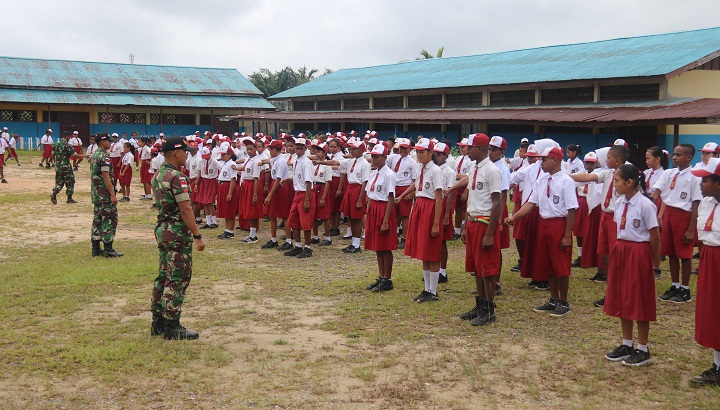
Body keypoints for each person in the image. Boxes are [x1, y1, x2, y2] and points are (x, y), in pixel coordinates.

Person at [507, 147, 578, 317]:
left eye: (544, 160)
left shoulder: (566, 181)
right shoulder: (542, 180)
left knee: (560, 264)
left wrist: (567, 234)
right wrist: (514, 217)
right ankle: (553, 299)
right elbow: (531, 203)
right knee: (548, 264)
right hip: (544, 223)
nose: (541, 163)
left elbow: (571, 209)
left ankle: (563, 301)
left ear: (555, 160)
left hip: (558, 224)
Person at [603, 164, 659, 367]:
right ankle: (627, 343)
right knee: (622, 296)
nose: (614, 184)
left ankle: (643, 348)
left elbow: (654, 237)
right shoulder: (619, 203)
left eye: (617, 180)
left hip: (638, 252)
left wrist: (652, 262)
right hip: (622, 250)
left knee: (639, 298)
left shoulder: (645, 205)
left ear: (630, 182)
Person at [150, 136, 205, 340]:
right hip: (177, 233)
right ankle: (172, 325)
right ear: (176, 153)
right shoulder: (177, 176)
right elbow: (185, 208)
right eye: (185, 151)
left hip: (163, 229)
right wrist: (197, 235)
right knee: (178, 278)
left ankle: (158, 320)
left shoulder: (159, 174)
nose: (187, 154)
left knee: (163, 275)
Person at [447, 133, 502, 325]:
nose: (466, 150)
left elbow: (497, 203)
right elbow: (472, 197)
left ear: (479, 148)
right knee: (477, 268)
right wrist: (464, 226)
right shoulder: (474, 167)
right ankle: (480, 304)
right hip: (472, 221)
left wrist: (489, 233)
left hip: (485, 223)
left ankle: (489, 309)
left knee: (486, 268)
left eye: (469, 147)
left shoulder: (492, 171)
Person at [651, 144, 701, 303]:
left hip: (684, 217)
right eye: (674, 154)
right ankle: (675, 285)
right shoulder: (668, 173)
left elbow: (695, 204)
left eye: (678, 155)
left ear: (688, 157)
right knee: (671, 252)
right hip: (669, 214)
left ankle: (685, 289)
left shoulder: (694, 176)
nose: (674, 157)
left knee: (684, 255)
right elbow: (656, 192)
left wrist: (691, 229)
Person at [397, 137, 444, 303]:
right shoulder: (420, 168)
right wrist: (402, 195)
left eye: (422, 152)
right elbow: (417, 184)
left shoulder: (436, 171)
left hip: (430, 209)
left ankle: (433, 291)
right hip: (419, 206)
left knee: (432, 250)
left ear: (431, 153)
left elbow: (439, 198)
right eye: (417, 151)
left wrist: (436, 223)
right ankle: (427, 289)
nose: (419, 154)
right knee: (424, 250)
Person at [689, 157, 720, 385]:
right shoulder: (708, 202)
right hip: (710, 257)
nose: (700, 184)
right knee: (712, 311)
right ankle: (718, 365)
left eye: (705, 180)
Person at [364, 143, 398, 292]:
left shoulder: (389, 174)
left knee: (385, 246)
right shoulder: (373, 173)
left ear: (385, 157)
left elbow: (391, 198)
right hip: (374, 209)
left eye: (377, 157)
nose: (374, 159)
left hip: (384, 209)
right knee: (377, 246)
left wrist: (385, 220)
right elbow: (370, 195)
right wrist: (367, 214)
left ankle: (387, 279)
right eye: (373, 156)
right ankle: (380, 276)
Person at [89, 132, 123, 258]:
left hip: (96, 194)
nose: (110, 142)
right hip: (104, 194)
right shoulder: (105, 157)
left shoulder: (94, 155)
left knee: (97, 219)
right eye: (108, 141)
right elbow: (106, 176)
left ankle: (96, 248)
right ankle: (108, 248)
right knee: (109, 218)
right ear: (103, 142)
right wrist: (112, 194)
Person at [283, 136, 316, 258]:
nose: (298, 150)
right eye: (297, 148)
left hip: (305, 194)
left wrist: (307, 200)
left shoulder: (306, 163)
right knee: (294, 220)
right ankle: (298, 245)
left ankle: (307, 247)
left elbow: (308, 182)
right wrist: (289, 179)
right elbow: (300, 178)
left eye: (301, 148)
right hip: (297, 193)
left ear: (305, 148)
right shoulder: (297, 161)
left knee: (305, 222)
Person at [339, 140, 370, 253]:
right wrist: (320, 162)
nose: (351, 151)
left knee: (357, 218)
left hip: (358, 190)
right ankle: (353, 242)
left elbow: (364, 182)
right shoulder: (351, 161)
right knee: (351, 217)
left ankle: (357, 245)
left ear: (361, 150)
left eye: (353, 149)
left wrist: (360, 199)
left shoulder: (365, 164)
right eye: (350, 149)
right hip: (350, 188)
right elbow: (337, 163)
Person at [387, 138, 417, 249]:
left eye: (405, 148)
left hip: (405, 188)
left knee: (405, 215)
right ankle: (394, 235)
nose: (402, 150)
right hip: (394, 187)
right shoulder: (394, 158)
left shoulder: (412, 163)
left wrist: (411, 193)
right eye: (401, 148)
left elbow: (415, 180)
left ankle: (404, 237)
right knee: (394, 214)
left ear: (410, 149)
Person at [261, 139, 290, 249]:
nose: (269, 151)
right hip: (275, 184)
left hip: (280, 186)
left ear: (274, 150)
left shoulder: (281, 161)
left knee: (284, 215)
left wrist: (269, 195)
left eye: (270, 149)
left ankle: (288, 240)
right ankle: (273, 239)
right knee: (272, 214)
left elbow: (278, 179)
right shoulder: (275, 159)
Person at [237, 139, 264, 243]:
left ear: (256, 149)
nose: (249, 151)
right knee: (247, 209)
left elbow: (256, 178)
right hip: (246, 185)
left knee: (253, 210)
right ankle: (251, 233)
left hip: (252, 186)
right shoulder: (248, 159)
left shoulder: (256, 161)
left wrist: (255, 194)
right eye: (247, 149)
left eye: (251, 149)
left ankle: (253, 235)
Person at [311, 142, 334, 246]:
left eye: (319, 152)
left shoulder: (327, 165)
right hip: (314, 188)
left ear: (324, 153)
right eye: (316, 152)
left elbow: (328, 181)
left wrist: (323, 197)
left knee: (324, 216)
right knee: (314, 215)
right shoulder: (315, 164)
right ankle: (315, 236)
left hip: (322, 188)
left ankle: (328, 238)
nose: (317, 154)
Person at [50, 131, 77, 204]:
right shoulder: (67, 145)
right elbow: (75, 155)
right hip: (66, 166)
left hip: (58, 166)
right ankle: (69, 198)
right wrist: (85, 156)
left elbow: (52, 155)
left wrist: (55, 162)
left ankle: (54, 193)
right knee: (70, 181)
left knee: (59, 182)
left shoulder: (55, 144)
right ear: (67, 136)